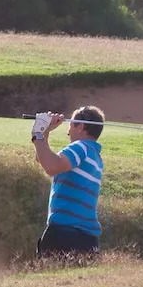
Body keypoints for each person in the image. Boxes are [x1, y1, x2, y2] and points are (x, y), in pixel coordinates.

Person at [30, 106, 105, 259]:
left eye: (70, 125)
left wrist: (37, 134)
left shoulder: (80, 147)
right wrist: (45, 132)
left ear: (81, 127)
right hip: (87, 237)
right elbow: (43, 159)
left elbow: (51, 166)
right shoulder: (94, 154)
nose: (68, 131)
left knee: (51, 274)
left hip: (66, 233)